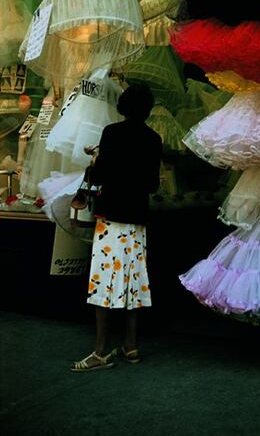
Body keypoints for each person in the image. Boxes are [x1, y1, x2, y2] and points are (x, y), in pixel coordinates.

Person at [71, 82, 163, 372]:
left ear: (123, 106)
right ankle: (131, 345)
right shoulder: (154, 139)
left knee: (104, 281)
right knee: (134, 281)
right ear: (147, 110)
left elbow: (100, 175)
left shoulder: (111, 133)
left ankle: (100, 351)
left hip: (111, 218)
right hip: (137, 220)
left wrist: (96, 159)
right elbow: (151, 184)